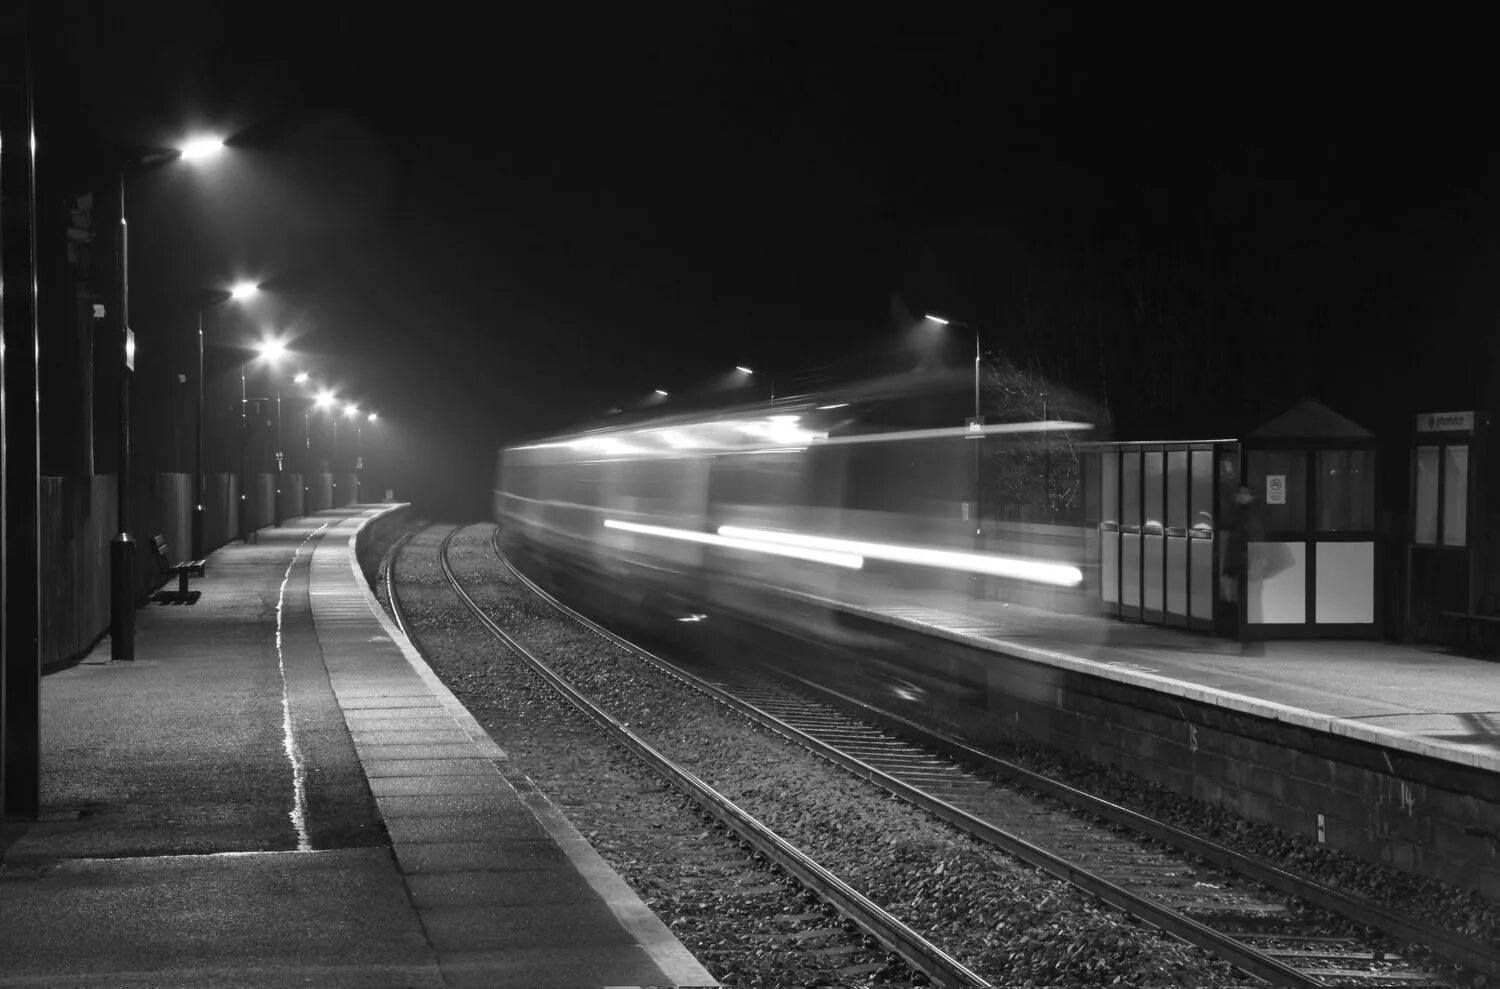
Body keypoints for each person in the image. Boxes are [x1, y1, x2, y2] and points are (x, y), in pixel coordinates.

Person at [1221, 485, 1266, 655]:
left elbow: (1252, 536)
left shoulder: (1251, 513)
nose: (1237, 496)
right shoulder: (1246, 511)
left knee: (1249, 599)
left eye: (1241, 493)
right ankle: (1247, 634)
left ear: (1248, 495)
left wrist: (1254, 560)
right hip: (1245, 561)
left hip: (1248, 562)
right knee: (1247, 599)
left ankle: (1249, 635)